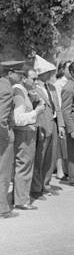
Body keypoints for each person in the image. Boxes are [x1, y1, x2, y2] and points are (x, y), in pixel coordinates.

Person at [31, 56, 64, 199]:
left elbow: (58, 107)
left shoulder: (51, 87)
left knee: (50, 157)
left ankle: (46, 184)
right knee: (40, 157)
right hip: (41, 126)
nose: (50, 74)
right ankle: (37, 188)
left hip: (53, 125)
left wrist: (61, 125)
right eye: (48, 72)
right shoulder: (33, 88)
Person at [12, 66, 45, 209]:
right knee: (24, 166)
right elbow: (18, 119)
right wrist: (36, 112)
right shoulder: (18, 92)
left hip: (28, 131)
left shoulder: (25, 91)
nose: (36, 82)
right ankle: (22, 200)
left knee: (26, 166)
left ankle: (22, 197)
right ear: (24, 78)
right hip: (23, 132)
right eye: (33, 79)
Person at [0, 61, 23, 218]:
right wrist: (7, 136)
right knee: (4, 173)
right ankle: (3, 209)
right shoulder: (7, 89)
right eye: (18, 73)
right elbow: (1, 118)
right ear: (9, 73)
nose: (20, 76)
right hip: (3, 136)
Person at [53, 60, 71, 180]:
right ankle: (60, 169)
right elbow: (58, 103)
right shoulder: (58, 84)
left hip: (70, 116)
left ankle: (67, 168)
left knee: (68, 145)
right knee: (60, 145)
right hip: (61, 116)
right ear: (62, 69)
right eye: (68, 68)